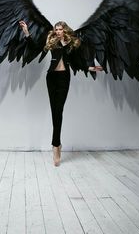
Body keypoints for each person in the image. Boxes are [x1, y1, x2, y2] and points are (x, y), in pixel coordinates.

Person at [19, 20, 103, 166]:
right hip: (51, 78)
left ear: (65, 30)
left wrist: (91, 68)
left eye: (60, 29)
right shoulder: (52, 42)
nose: (58, 31)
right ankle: (56, 146)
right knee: (55, 112)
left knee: (59, 110)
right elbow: (34, 47)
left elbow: (78, 62)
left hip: (64, 78)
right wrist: (26, 32)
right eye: (56, 29)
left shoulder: (71, 45)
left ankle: (56, 146)